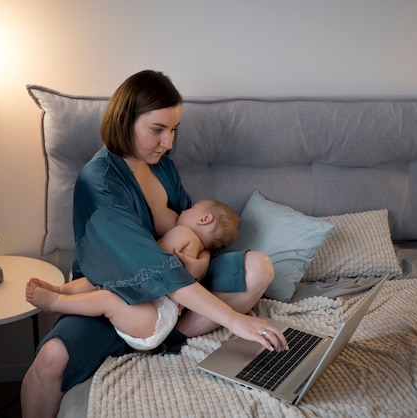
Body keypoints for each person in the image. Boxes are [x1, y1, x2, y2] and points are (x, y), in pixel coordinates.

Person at [21, 70, 288, 418]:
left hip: (173, 292)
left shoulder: (163, 167)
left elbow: (195, 229)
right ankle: (154, 333)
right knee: (52, 357)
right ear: (125, 120)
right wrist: (236, 322)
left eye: (173, 129)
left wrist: (202, 263)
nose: (169, 143)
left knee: (259, 267)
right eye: (158, 130)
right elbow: (151, 268)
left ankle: (166, 333)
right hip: (117, 292)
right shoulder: (99, 182)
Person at [25, 199, 240, 351]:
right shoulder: (200, 254)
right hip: (155, 315)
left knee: (106, 295)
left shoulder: (184, 234)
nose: (184, 209)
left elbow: (150, 260)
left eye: (191, 208)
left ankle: (57, 301)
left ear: (204, 219)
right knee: (103, 284)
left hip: (154, 317)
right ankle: (60, 289)